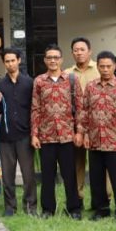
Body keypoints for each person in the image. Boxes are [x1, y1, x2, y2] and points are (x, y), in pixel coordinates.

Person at [79, 51, 116, 221]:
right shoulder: (91, 86)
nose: (105, 69)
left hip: (115, 140)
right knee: (96, 178)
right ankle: (101, 209)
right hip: (95, 140)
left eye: (108, 66)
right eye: (102, 66)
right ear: (98, 67)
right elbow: (84, 111)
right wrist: (85, 133)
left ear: (114, 66)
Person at [30, 44, 82, 219]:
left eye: (56, 57)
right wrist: (35, 134)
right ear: (45, 60)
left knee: (70, 175)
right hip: (46, 136)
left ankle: (74, 208)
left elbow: (80, 108)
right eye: (49, 57)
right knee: (47, 176)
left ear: (61, 59)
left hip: (67, 135)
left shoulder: (72, 79)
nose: (52, 60)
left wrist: (79, 132)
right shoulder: (39, 81)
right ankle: (48, 210)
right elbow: (35, 108)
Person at [0, 48, 36, 216]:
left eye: (13, 60)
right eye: (7, 61)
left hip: (25, 135)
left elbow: (35, 108)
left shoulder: (29, 83)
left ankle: (30, 207)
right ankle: (10, 207)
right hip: (5, 136)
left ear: (19, 60)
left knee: (28, 175)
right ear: (4, 63)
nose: (10, 64)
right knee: (7, 176)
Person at [66, 37, 99, 209]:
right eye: (76, 50)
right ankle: (77, 200)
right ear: (72, 53)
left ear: (90, 51)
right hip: (76, 125)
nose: (79, 52)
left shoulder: (100, 70)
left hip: (97, 125)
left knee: (98, 165)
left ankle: (100, 200)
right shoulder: (67, 74)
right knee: (76, 164)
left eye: (82, 49)